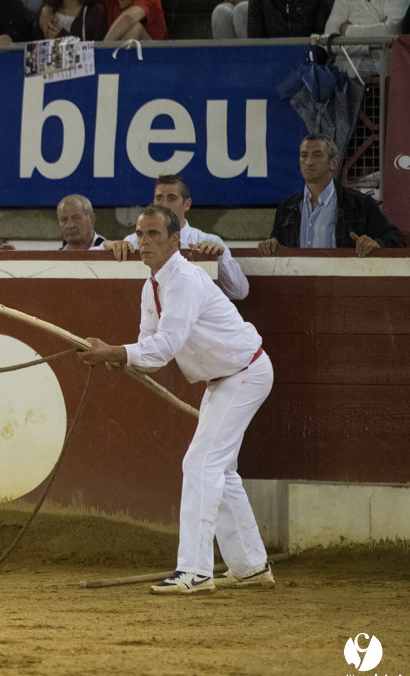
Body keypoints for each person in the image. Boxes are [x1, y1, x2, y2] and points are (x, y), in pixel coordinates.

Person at [79, 204, 276, 595]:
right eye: (140, 234)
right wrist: (122, 358)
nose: (144, 242)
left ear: (175, 240)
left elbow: (163, 348)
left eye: (154, 234)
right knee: (220, 470)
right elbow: (150, 347)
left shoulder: (183, 280)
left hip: (243, 373)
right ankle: (251, 566)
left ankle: (195, 571)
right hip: (226, 379)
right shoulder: (151, 285)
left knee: (200, 464)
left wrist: (117, 353)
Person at [105, 175, 249, 301]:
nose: (165, 204)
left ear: (186, 204)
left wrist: (221, 257)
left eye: (172, 198)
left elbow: (239, 293)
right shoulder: (135, 240)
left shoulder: (211, 242)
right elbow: (89, 255)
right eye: (159, 198)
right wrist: (110, 244)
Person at [258, 134, 405, 257]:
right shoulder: (286, 208)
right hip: (298, 287)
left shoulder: (361, 204)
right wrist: (270, 244)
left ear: (333, 163)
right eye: (304, 155)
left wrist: (377, 243)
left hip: (343, 286)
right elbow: (276, 244)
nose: (309, 162)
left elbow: (395, 237)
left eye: (317, 155)